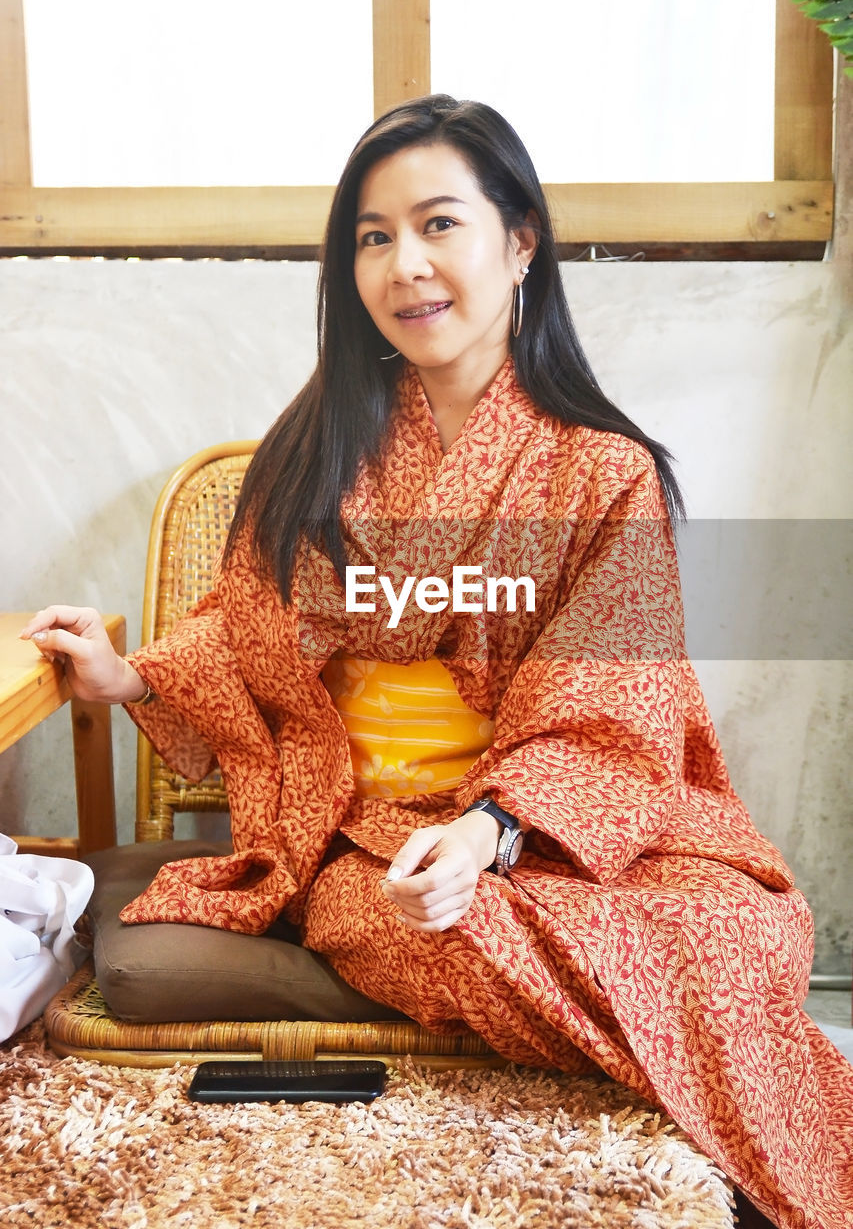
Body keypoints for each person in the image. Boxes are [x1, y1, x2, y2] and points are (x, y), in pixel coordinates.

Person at [22, 94, 852, 1229]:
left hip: (551, 821)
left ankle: (774, 1164)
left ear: (520, 243)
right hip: (370, 828)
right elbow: (256, 632)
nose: (404, 263)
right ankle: (716, 1112)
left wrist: (490, 829)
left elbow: (609, 704)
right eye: (371, 236)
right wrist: (131, 676)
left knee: (735, 924)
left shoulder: (600, 472)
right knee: (415, 921)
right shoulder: (313, 450)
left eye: (437, 224)